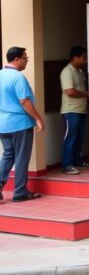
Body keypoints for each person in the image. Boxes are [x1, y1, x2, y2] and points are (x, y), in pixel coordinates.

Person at [0, 47, 44, 202]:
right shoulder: (18, 77)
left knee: (8, 155)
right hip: (20, 124)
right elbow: (24, 101)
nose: (27, 61)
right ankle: (20, 192)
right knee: (21, 157)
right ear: (17, 59)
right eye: (26, 58)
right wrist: (38, 118)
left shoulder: (0, 75)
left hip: (3, 124)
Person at [60, 46, 89, 175]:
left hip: (81, 110)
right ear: (75, 58)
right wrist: (87, 94)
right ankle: (67, 165)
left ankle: (77, 161)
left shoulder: (80, 71)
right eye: (84, 58)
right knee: (70, 137)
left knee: (79, 137)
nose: (86, 60)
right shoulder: (67, 71)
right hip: (70, 111)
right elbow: (69, 91)